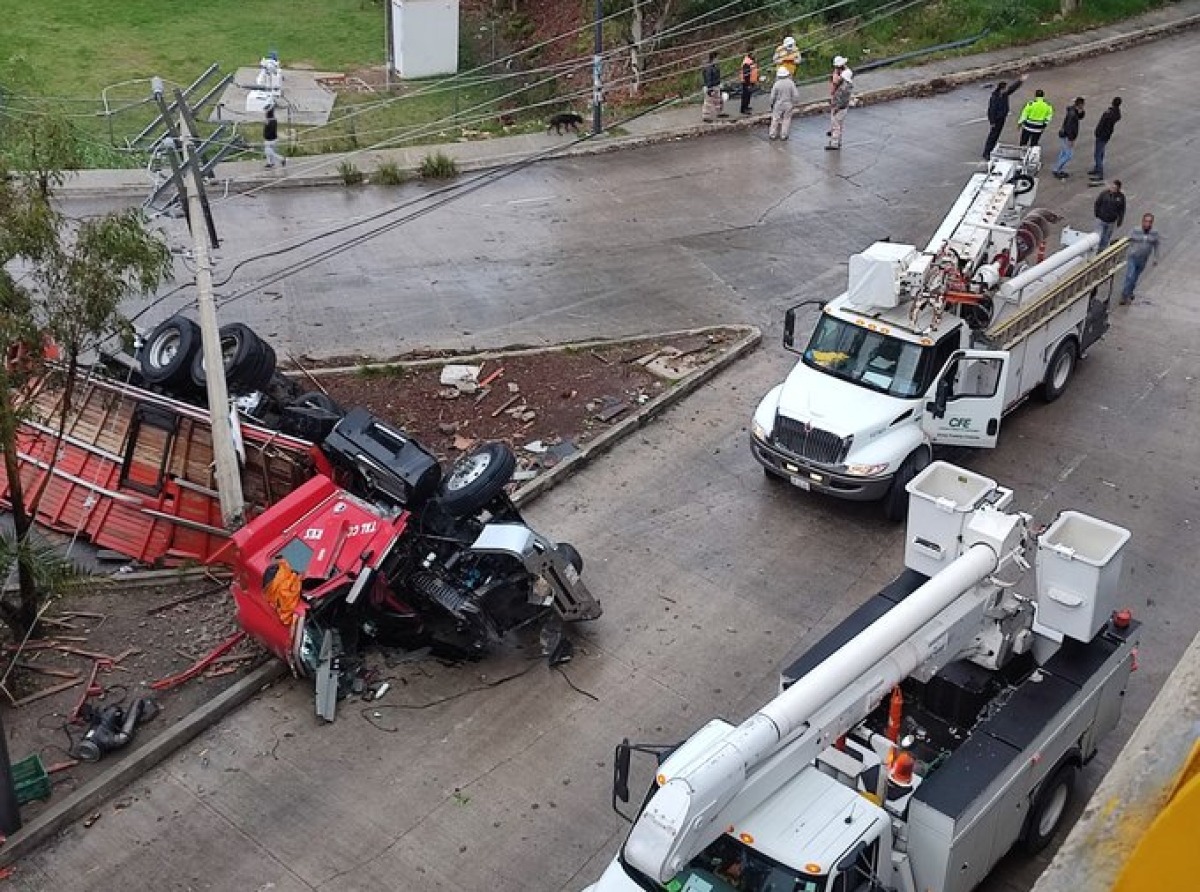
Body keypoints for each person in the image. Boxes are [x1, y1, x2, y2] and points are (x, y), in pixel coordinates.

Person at [982, 73, 1026, 159]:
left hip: (1002, 118)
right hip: (996, 120)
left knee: (996, 135)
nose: (1007, 89)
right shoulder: (995, 98)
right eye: (1006, 88)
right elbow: (991, 110)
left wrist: (1020, 81)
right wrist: (992, 122)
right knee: (993, 136)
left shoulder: (1004, 94)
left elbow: (1012, 88)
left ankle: (991, 148)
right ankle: (986, 152)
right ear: (1002, 89)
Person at [1120, 213, 1161, 304]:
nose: (1147, 224)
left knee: (1135, 278)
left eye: (1149, 222)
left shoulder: (1154, 233)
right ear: (1142, 221)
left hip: (1143, 260)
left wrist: (1155, 258)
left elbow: (1157, 245)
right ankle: (1124, 295)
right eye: (1145, 221)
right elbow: (1127, 239)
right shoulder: (1135, 230)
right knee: (1130, 276)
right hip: (1133, 257)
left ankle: (1130, 291)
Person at [1088, 97, 1122, 184]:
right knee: (1101, 152)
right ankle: (1097, 169)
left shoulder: (1108, 114)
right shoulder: (1116, 113)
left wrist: (1097, 132)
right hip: (1107, 135)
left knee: (1098, 154)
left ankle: (1099, 172)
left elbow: (1101, 123)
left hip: (1102, 135)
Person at [1052, 96, 1085, 178]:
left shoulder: (1072, 110)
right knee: (1068, 155)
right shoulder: (1073, 114)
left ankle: (1059, 169)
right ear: (1080, 104)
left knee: (1063, 152)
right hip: (1067, 136)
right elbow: (1070, 127)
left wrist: (1081, 112)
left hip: (1064, 134)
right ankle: (1056, 169)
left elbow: (1080, 117)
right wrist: (1071, 139)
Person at [768, 66, 800, 140]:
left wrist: (771, 103)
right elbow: (795, 94)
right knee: (787, 119)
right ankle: (784, 135)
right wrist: (795, 102)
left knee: (775, 119)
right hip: (788, 103)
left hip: (778, 103)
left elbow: (772, 96)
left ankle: (772, 134)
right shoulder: (791, 83)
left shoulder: (777, 84)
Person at [1093, 179, 1126, 251]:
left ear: (1118, 189)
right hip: (1101, 220)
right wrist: (1097, 214)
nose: (1112, 189)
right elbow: (1097, 203)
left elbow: (1122, 210)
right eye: (1112, 187)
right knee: (1097, 236)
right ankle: (1094, 250)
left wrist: (1120, 220)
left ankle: (1101, 252)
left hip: (1111, 222)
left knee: (1106, 238)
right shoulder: (1104, 193)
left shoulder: (1121, 197)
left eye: (1115, 188)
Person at [826, 61, 853, 151]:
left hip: (840, 107)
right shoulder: (847, 84)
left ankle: (834, 144)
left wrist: (836, 107)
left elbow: (840, 98)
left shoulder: (843, 87)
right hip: (842, 107)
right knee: (838, 125)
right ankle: (837, 141)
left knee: (836, 125)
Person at [701, 51, 725, 122]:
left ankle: (719, 113)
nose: (718, 59)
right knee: (708, 102)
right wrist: (709, 90)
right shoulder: (709, 67)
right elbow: (708, 78)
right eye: (717, 58)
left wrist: (719, 83)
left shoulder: (715, 66)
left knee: (718, 100)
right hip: (711, 86)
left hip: (716, 85)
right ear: (714, 58)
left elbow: (717, 76)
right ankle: (706, 117)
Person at [740, 44, 759, 115]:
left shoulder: (751, 60)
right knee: (745, 95)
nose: (756, 52)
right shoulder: (747, 62)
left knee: (748, 95)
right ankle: (743, 109)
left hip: (751, 80)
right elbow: (746, 74)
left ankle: (746, 106)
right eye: (754, 51)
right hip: (746, 81)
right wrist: (748, 84)